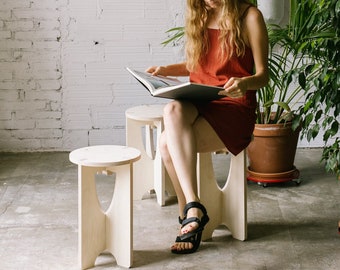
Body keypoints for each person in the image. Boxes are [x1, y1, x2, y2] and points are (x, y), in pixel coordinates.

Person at [146, 0, 268, 254]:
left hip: (233, 106)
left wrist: (244, 84)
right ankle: (194, 205)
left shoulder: (250, 17)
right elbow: (201, 68)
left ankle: (188, 213)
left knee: (166, 143)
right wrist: (166, 70)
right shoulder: (201, 16)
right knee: (172, 109)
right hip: (202, 99)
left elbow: (263, 75)